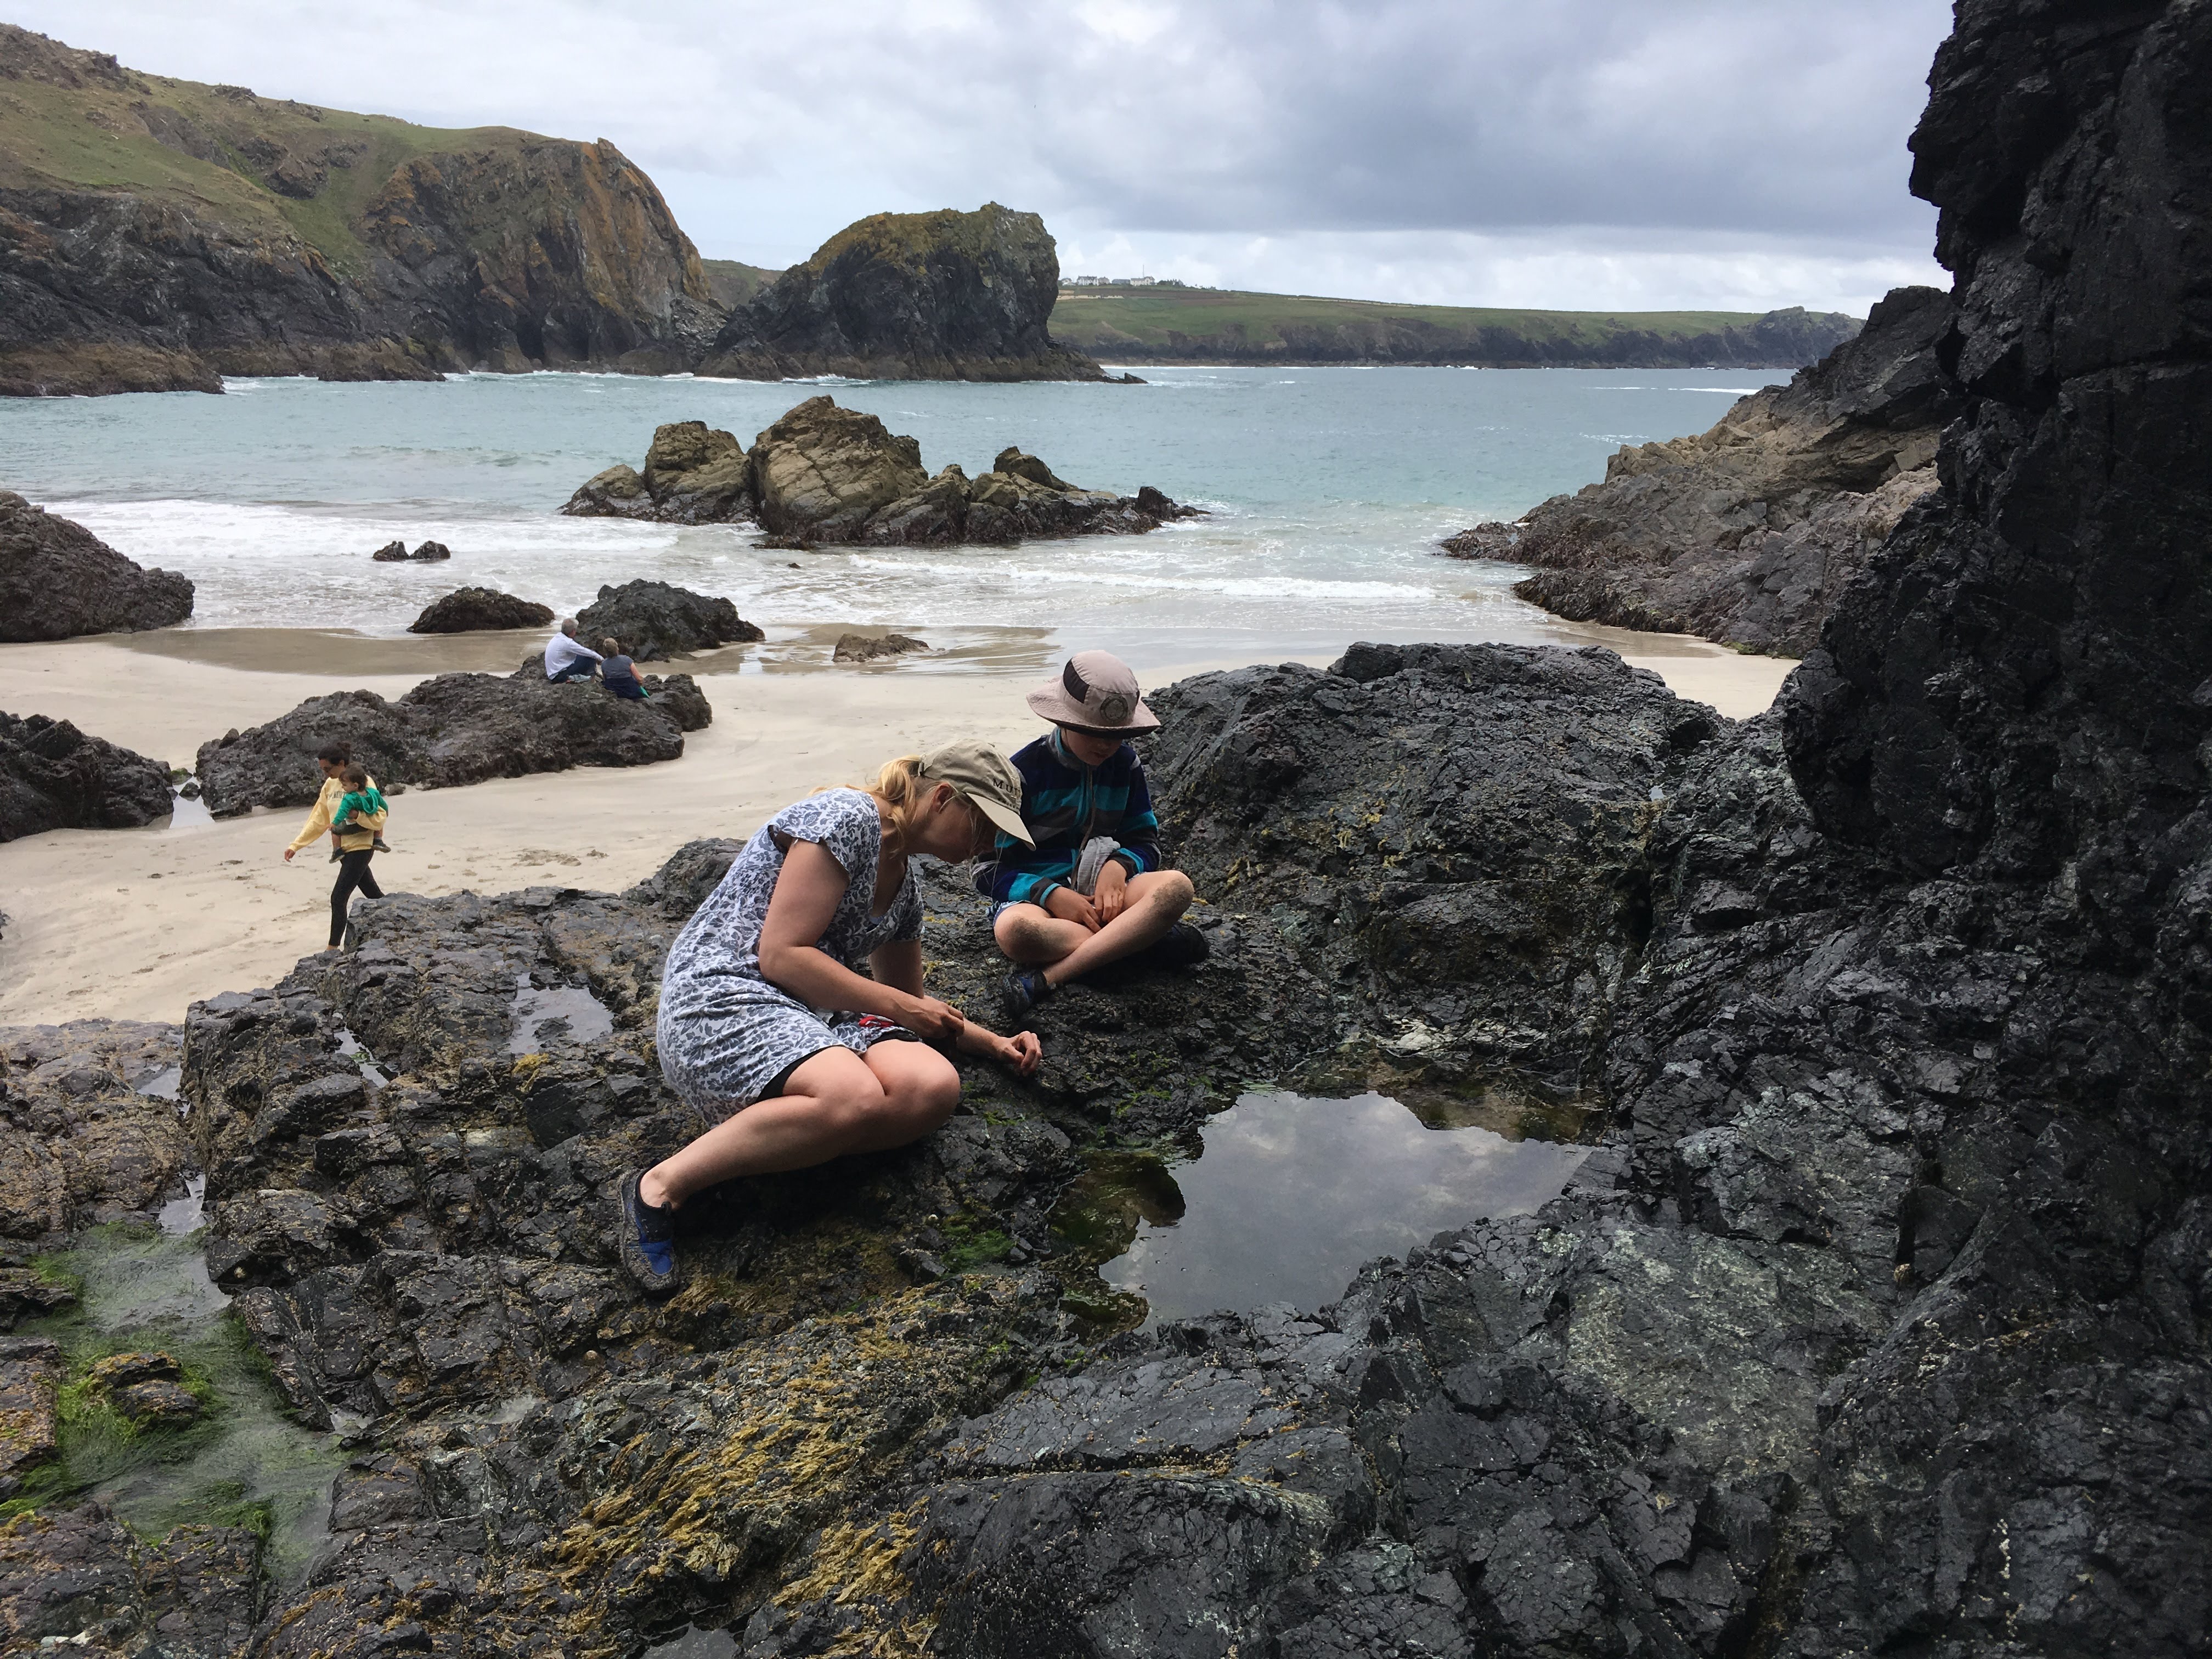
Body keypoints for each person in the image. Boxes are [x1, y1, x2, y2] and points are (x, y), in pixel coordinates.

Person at [620, 741, 1044, 1296]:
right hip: (726, 995)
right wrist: (899, 1007)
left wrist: (992, 1044)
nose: (990, 844)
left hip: (816, 1013)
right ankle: (659, 1187)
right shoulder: (844, 818)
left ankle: (787, 1142)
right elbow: (782, 955)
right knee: (854, 1097)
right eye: (986, 825)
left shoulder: (907, 889)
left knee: (932, 1088)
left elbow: (909, 1006)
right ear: (943, 798)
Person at [984, 650, 1204, 1024]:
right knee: (1016, 932)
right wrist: (1051, 894)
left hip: (1108, 895)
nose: (1106, 745)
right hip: (1038, 903)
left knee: (1177, 888)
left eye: (1117, 736)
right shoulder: (1022, 773)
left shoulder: (1126, 765)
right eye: (1093, 733)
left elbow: (1145, 842)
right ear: (1063, 719)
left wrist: (1118, 868)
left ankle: (1049, 978)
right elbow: (988, 869)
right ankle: (1136, 942)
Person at [282, 741, 390, 950]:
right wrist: (296, 845)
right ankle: (399, 918)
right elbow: (319, 819)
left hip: (362, 846)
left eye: (328, 769)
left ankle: (332, 949)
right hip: (343, 851)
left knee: (338, 898)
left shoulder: (363, 781)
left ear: (341, 763)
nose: (325, 774)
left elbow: (380, 815)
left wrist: (357, 815)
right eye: (322, 770)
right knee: (373, 894)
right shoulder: (329, 786)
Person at [327, 761, 391, 857]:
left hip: (356, 826)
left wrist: (334, 823)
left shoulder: (350, 798)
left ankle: (337, 851)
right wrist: (386, 812)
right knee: (379, 818)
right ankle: (378, 840)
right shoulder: (373, 793)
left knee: (335, 831)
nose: (343, 788)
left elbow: (342, 812)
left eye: (345, 785)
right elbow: (383, 804)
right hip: (371, 826)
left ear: (355, 785)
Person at [544, 618, 602, 683]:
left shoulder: (558, 637)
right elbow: (585, 652)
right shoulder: (568, 643)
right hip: (560, 676)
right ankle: (592, 681)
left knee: (581, 656)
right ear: (573, 631)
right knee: (591, 658)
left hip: (552, 673)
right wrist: (601, 659)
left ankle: (584, 677)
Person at [599, 637, 647, 701]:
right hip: (630, 692)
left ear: (605, 651)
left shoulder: (604, 664)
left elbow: (605, 679)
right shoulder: (627, 660)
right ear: (617, 648)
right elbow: (638, 678)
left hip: (615, 693)